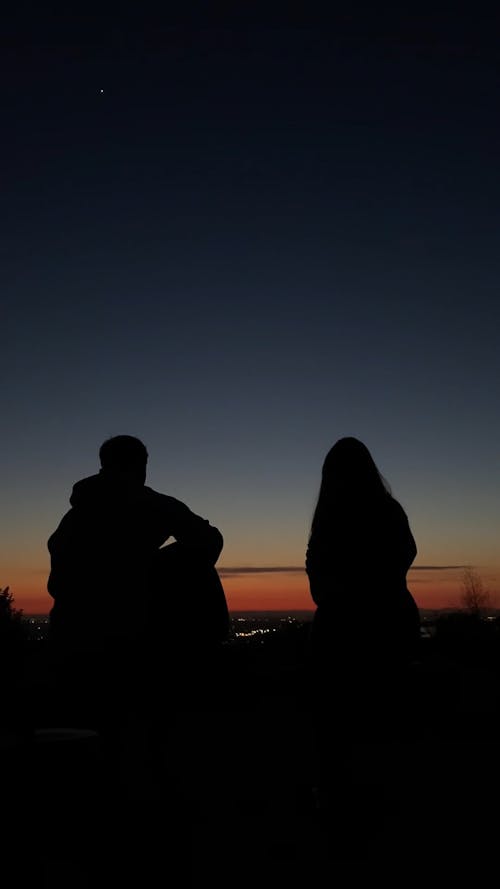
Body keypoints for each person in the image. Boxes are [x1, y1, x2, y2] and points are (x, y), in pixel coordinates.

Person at [46, 434, 226, 798]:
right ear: (141, 466)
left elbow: (59, 582)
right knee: (133, 736)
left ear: (103, 464)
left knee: (92, 733)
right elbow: (208, 541)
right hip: (129, 634)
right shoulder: (152, 504)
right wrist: (160, 566)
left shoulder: (76, 513)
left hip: (72, 633)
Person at [304, 436, 420, 822]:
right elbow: (405, 555)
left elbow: (319, 585)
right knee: (383, 711)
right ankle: (383, 793)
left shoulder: (329, 520)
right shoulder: (389, 512)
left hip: (343, 629)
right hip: (390, 622)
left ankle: (338, 794)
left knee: (338, 717)